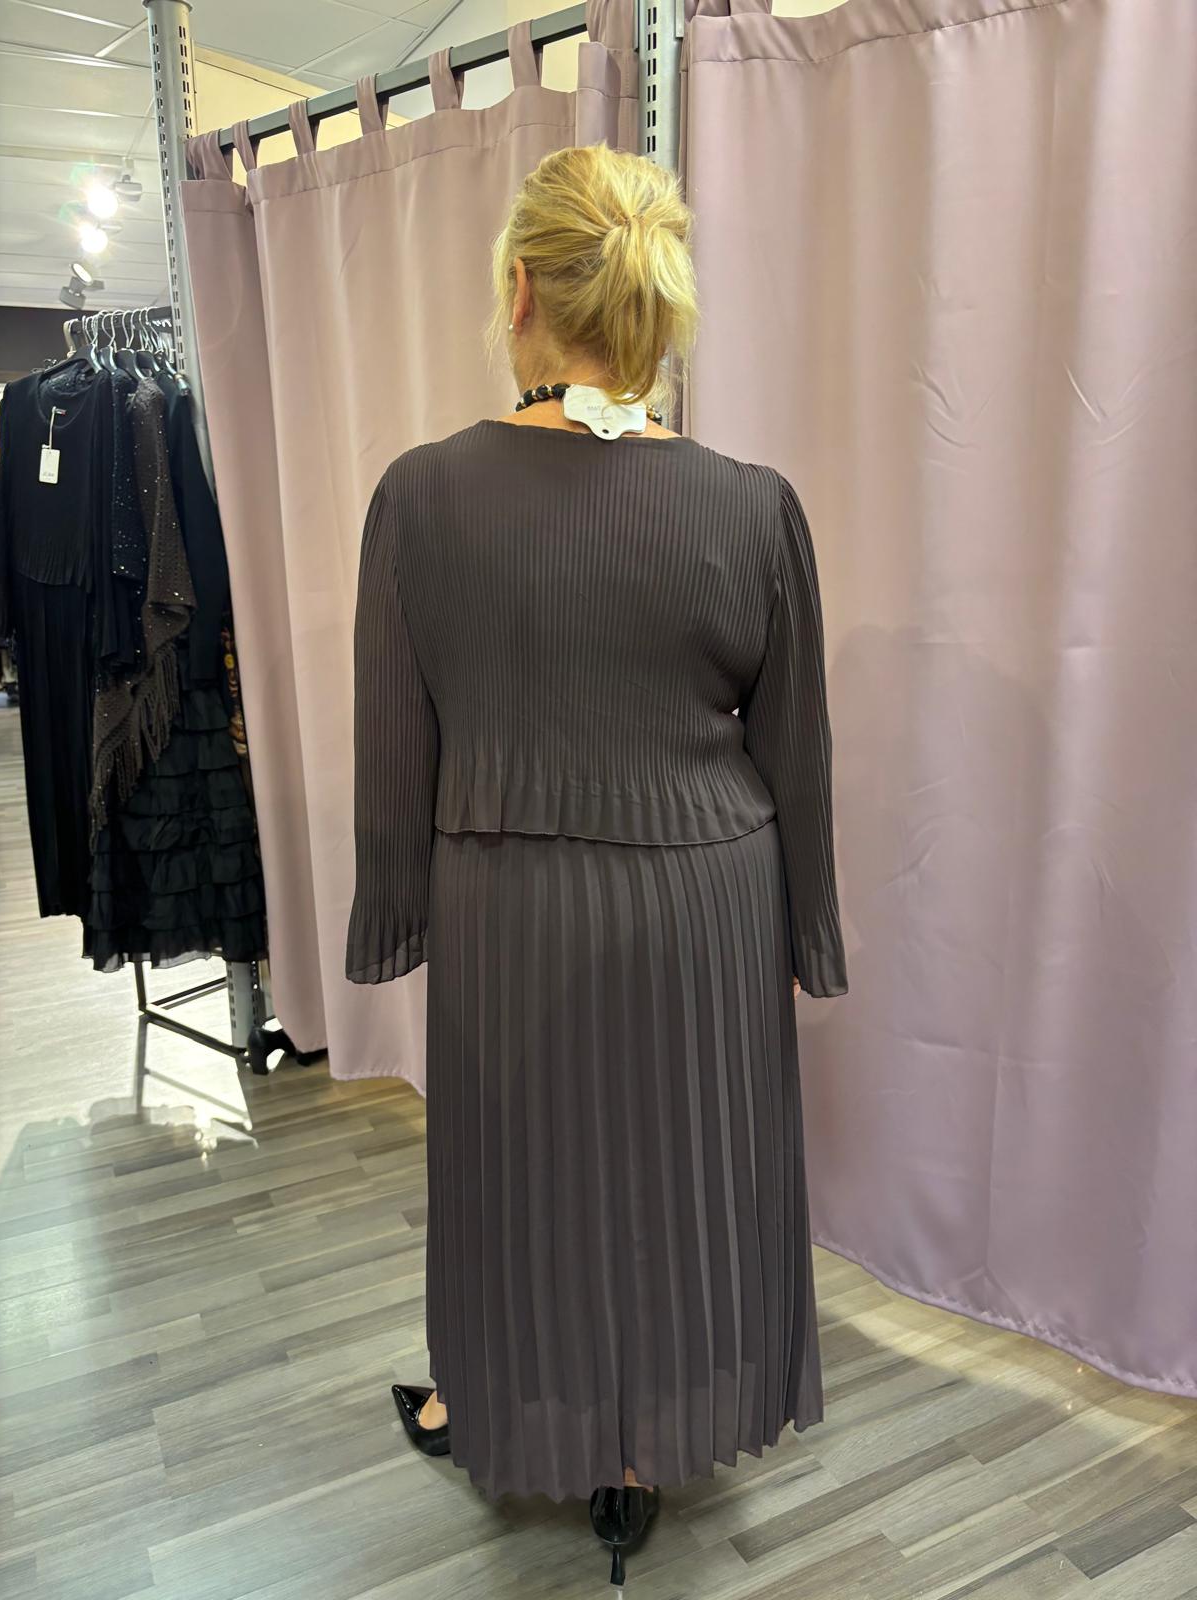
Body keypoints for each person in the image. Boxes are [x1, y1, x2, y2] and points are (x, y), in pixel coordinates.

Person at [347, 144, 847, 1587]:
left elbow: (396, 745)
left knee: (522, 1186)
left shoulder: (422, 498)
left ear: (519, 289)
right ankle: (648, 1443)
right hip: (706, 902)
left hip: (511, 907)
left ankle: (507, 1403)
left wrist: (396, 912)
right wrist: (804, 932)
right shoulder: (754, 505)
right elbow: (799, 751)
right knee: (686, 1179)